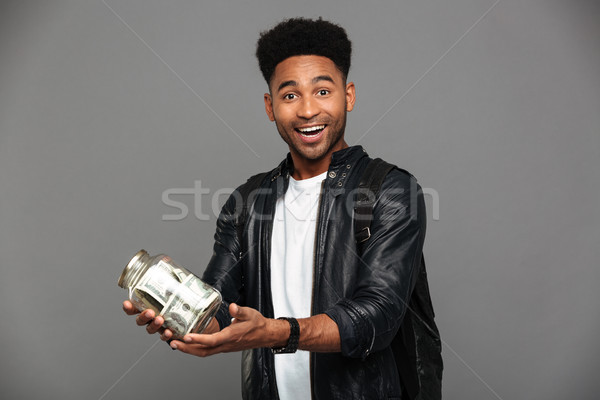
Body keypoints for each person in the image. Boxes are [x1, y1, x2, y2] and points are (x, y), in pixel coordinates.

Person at [123, 17, 441, 399]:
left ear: (349, 95)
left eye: (323, 92)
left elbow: (378, 317)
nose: (308, 111)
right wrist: (183, 316)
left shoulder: (390, 190)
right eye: (290, 96)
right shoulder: (247, 202)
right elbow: (221, 307)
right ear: (270, 106)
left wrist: (278, 332)